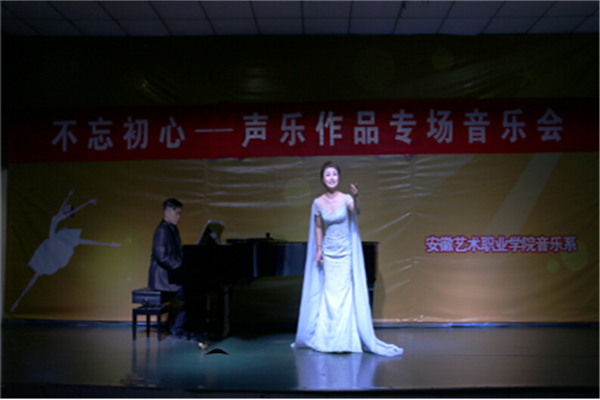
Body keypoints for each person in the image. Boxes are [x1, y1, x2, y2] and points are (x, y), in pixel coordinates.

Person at [292, 162, 403, 357]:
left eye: (335, 174)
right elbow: (318, 227)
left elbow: (356, 211)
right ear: (322, 179)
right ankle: (327, 339)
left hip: (345, 252)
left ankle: (346, 339)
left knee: (344, 293)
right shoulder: (318, 202)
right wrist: (319, 249)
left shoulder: (346, 199)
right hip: (329, 252)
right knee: (329, 293)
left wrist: (357, 197)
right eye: (328, 175)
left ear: (339, 177)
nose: (332, 178)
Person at [148, 198, 208, 349]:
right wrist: (181, 267)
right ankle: (181, 329)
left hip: (170, 275)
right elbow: (161, 256)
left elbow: (177, 255)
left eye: (180, 214)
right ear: (167, 212)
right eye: (177, 213)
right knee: (193, 294)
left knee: (196, 292)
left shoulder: (172, 229)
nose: (179, 217)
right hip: (163, 278)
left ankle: (181, 328)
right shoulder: (162, 230)